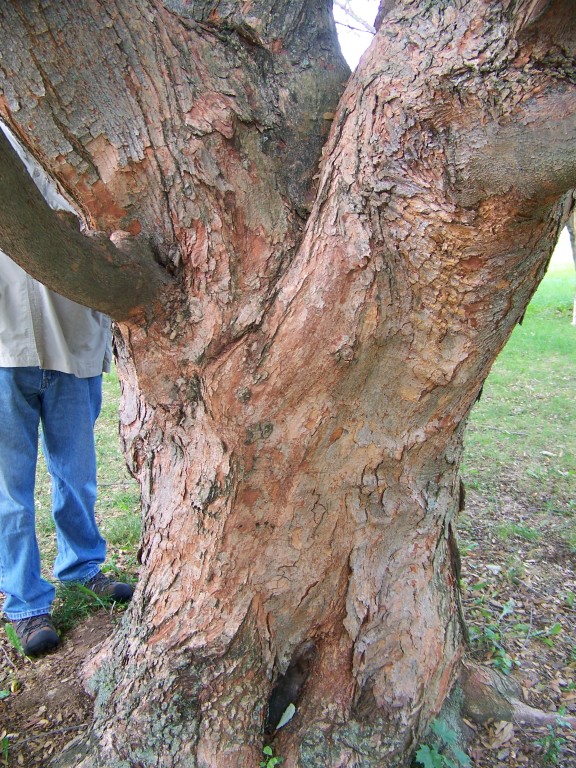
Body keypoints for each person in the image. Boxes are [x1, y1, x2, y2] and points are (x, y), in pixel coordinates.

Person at [0, 129, 134, 657]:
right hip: (4, 347)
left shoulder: (66, 132)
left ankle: (83, 567)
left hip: (72, 344)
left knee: (76, 475)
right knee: (9, 492)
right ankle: (26, 603)